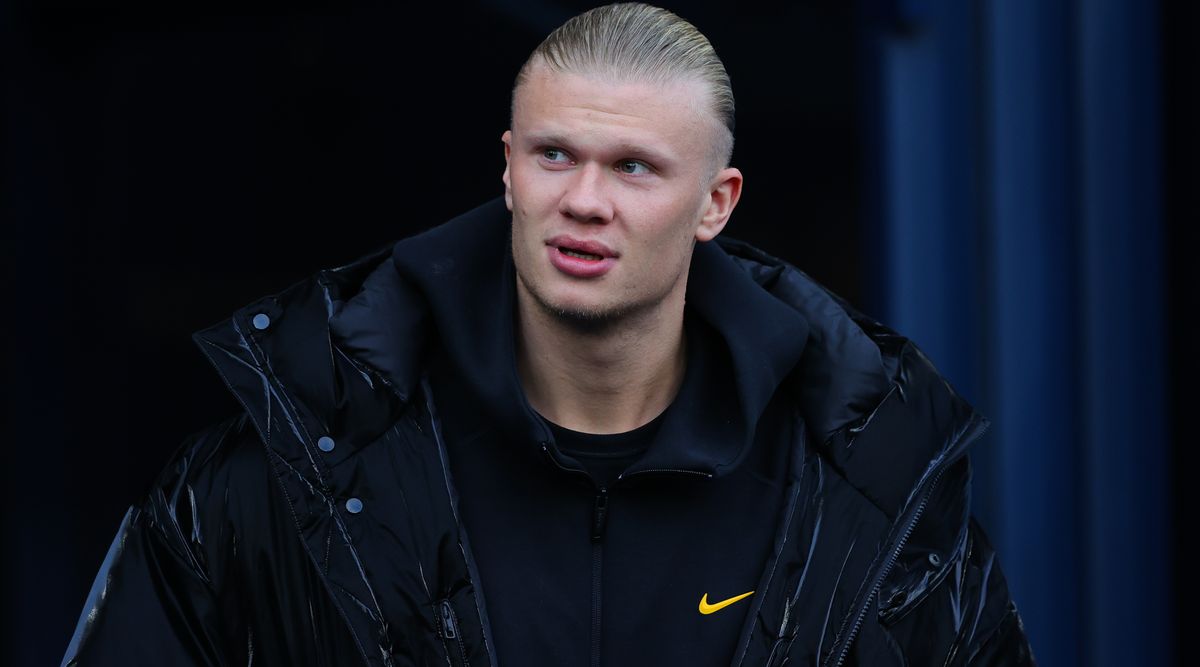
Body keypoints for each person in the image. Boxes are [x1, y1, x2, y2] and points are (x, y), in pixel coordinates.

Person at [63, 3, 1036, 665]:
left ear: (715, 202)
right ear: (508, 169)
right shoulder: (285, 476)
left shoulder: (865, 497)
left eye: (635, 168)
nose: (583, 201)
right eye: (555, 155)